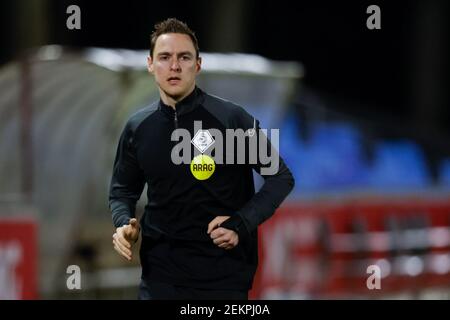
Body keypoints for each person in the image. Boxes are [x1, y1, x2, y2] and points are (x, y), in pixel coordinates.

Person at [109, 17, 294, 300]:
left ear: (198, 65)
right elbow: (122, 190)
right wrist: (123, 224)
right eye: (164, 57)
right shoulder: (138, 127)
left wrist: (241, 223)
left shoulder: (231, 119)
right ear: (150, 64)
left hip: (222, 281)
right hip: (159, 279)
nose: (174, 66)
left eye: (184, 57)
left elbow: (280, 178)